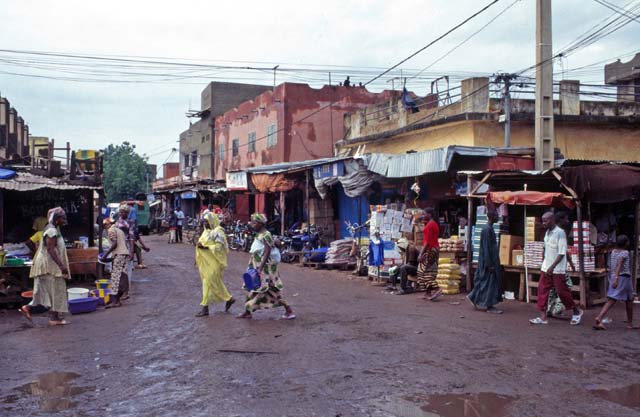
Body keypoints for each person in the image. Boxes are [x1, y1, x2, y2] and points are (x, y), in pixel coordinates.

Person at [237, 213, 295, 320]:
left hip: (265, 267)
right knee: (252, 286)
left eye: (254, 222)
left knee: (271, 290)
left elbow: (267, 251)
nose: (252, 224)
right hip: (256, 265)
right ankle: (247, 311)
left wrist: (260, 268)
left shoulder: (266, 235)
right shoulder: (258, 234)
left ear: (260, 224)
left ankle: (289, 310)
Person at [530, 212, 583, 325]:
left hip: (557, 269)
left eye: (546, 221)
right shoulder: (547, 232)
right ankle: (543, 317)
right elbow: (546, 248)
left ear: (552, 220)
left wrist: (553, 266)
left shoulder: (560, 233)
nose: (544, 223)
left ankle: (576, 311)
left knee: (562, 292)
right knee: (542, 290)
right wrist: (544, 262)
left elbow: (562, 253)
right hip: (546, 268)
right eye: (543, 221)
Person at [19, 207, 70, 326]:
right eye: (63, 218)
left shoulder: (53, 228)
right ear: (57, 219)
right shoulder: (51, 231)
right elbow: (51, 250)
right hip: (49, 265)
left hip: (48, 264)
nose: (65, 220)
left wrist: (57, 210)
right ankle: (53, 317)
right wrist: (62, 266)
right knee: (55, 289)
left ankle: (29, 308)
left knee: (47, 290)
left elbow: (50, 213)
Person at [195, 212, 235, 317]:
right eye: (204, 221)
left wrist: (206, 247)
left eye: (207, 221)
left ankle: (205, 308)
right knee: (214, 283)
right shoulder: (206, 231)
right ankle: (229, 298)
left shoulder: (218, 232)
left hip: (214, 263)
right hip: (205, 263)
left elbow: (220, 248)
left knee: (208, 283)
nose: (205, 223)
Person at [593, 235, 637, 330]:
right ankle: (599, 317)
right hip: (622, 278)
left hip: (618, 277)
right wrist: (616, 278)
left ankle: (630, 323)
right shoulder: (625, 253)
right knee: (613, 299)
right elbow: (619, 264)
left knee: (629, 299)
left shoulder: (613, 252)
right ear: (625, 244)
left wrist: (614, 277)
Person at [467, 209, 503, 314]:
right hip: (488, 261)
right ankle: (489, 305)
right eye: (496, 216)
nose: (498, 217)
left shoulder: (489, 229)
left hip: (489, 260)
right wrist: (489, 264)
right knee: (489, 283)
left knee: (483, 282)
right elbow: (486, 248)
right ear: (492, 217)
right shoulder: (487, 230)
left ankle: (473, 297)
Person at [100, 204, 133, 308]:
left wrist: (104, 256)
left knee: (115, 278)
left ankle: (115, 301)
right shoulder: (119, 230)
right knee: (122, 275)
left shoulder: (111, 230)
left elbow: (115, 244)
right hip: (124, 254)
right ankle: (117, 299)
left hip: (119, 254)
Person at [547, 211, 576, 318]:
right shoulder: (561, 233)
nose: (567, 221)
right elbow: (562, 252)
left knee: (552, 288)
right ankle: (558, 308)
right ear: (561, 220)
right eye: (566, 219)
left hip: (550, 266)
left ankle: (549, 308)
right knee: (566, 286)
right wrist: (570, 263)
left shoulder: (550, 231)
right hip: (558, 267)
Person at [417, 207, 442, 301]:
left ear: (430, 215)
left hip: (430, 249)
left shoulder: (430, 225)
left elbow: (427, 241)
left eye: (424, 214)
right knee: (428, 270)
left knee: (424, 271)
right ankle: (427, 292)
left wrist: (421, 253)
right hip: (433, 248)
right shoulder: (432, 224)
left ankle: (437, 289)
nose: (423, 216)